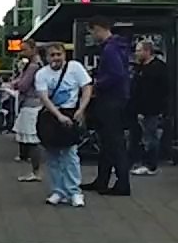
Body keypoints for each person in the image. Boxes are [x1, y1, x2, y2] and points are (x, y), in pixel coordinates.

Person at [36, 43, 92, 207]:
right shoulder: (42, 74)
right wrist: (58, 115)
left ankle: (74, 191)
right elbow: (44, 97)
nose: (56, 58)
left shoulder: (75, 68)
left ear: (64, 55)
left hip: (71, 112)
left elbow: (87, 87)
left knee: (70, 154)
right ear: (47, 58)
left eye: (58, 54)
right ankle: (58, 190)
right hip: (51, 114)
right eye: (52, 55)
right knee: (53, 155)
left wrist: (81, 109)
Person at [84, 16, 132, 195]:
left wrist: (97, 84)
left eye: (92, 32)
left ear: (98, 29)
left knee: (114, 141)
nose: (92, 36)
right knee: (108, 141)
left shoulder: (110, 49)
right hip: (118, 98)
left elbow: (116, 74)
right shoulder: (116, 47)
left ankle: (122, 184)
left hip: (110, 100)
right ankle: (102, 180)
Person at [130, 40, 168, 176]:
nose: (136, 53)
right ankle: (135, 162)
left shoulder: (158, 68)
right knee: (137, 137)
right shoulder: (139, 67)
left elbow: (162, 90)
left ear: (147, 51)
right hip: (137, 108)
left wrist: (160, 109)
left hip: (152, 109)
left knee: (150, 137)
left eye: (139, 50)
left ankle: (150, 165)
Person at [10, 46, 45, 182]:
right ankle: (35, 170)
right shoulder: (38, 65)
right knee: (32, 139)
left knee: (32, 139)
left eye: (24, 50)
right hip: (35, 103)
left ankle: (36, 171)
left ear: (33, 50)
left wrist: (15, 84)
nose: (22, 52)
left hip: (30, 104)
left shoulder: (32, 67)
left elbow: (24, 85)